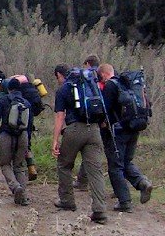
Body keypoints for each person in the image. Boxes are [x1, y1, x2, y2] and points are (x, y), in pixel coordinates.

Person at [52, 64, 107, 224]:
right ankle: (100, 210)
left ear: (61, 76)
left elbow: (60, 117)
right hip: (95, 130)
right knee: (95, 171)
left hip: (75, 129)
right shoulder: (91, 85)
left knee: (64, 164)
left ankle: (67, 201)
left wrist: (55, 140)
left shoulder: (63, 90)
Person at [97, 63, 155, 212]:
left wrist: (102, 124)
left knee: (115, 166)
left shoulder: (110, 85)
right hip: (134, 128)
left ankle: (124, 201)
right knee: (126, 161)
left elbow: (106, 109)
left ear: (103, 74)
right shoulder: (128, 84)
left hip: (118, 131)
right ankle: (142, 183)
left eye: (99, 77)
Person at [0, 77, 32, 205]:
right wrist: (28, 144)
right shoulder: (27, 103)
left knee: (5, 164)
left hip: (6, 135)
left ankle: (15, 187)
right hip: (22, 136)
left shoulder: (3, 100)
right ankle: (23, 197)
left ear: (8, 88)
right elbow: (29, 126)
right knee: (19, 166)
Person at [74, 54, 101, 191]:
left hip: (89, 120)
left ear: (87, 64)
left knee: (89, 153)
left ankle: (82, 182)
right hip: (104, 118)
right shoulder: (101, 76)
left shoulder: (87, 76)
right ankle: (82, 181)